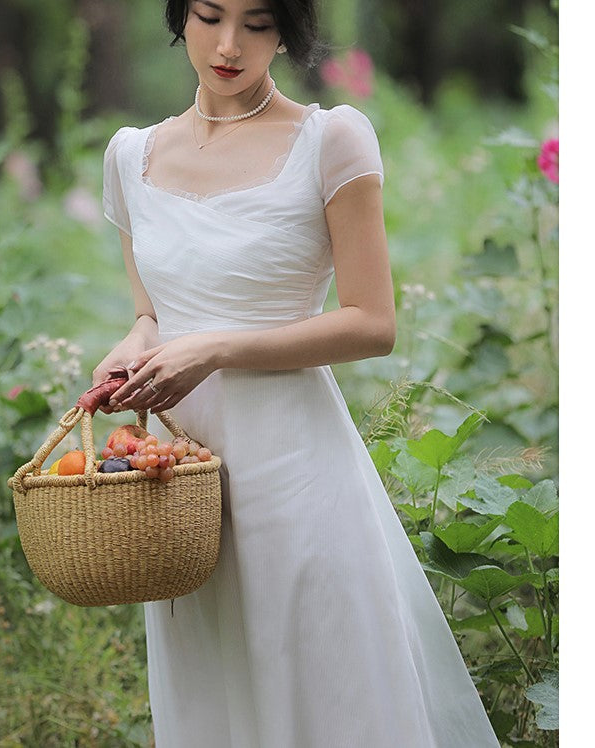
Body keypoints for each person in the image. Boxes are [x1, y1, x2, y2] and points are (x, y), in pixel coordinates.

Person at [93, 1, 500, 745]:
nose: (227, 45)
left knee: (323, 690)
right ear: (179, 18)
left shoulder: (331, 139)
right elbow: (154, 312)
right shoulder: (131, 155)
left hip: (295, 468)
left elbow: (373, 323)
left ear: (287, 31)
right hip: (179, 488)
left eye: (256, 22)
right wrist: (137, 341)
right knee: (216, 692)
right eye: (209, 17)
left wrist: (214, 347)